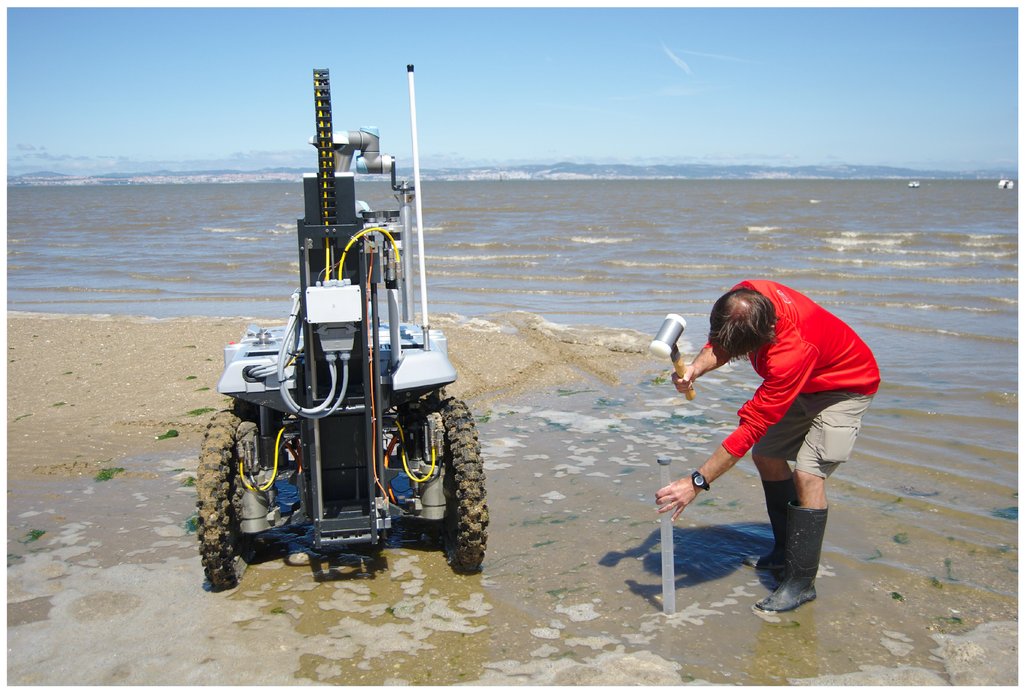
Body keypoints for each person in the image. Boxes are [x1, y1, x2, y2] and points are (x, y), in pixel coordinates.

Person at [654, 280, 879, 613]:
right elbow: (722, 343)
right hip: (804, 381)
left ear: (766, 336)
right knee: (767, 455)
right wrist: (694, 370)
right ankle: (782, 553)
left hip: (845, 388)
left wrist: (696, 482)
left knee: (808, 475)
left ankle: (801, 584)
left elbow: (751, 428)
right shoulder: (745, 297)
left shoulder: (790, 353)